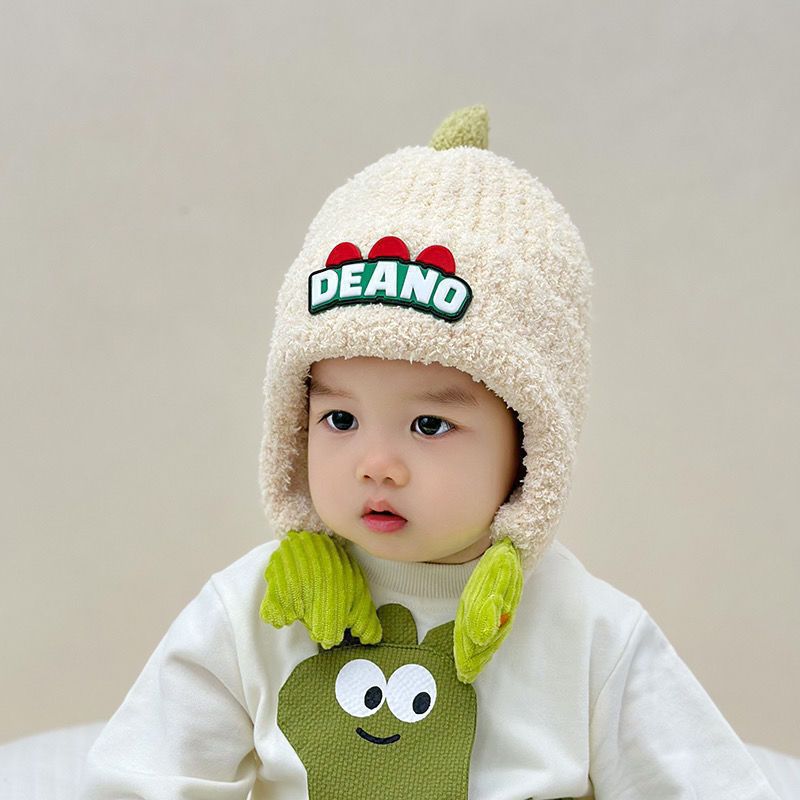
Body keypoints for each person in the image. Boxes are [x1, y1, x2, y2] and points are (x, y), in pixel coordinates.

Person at [82, 106, 779, 799]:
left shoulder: (589, 633)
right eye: (340, 418)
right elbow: (139, 779)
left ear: (530, 451)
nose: (376, 463)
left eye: (429, 425)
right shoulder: (254, 613)